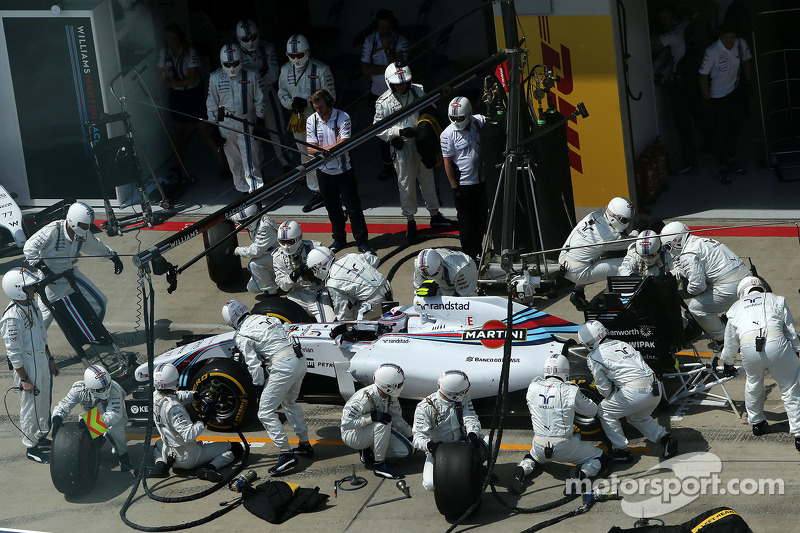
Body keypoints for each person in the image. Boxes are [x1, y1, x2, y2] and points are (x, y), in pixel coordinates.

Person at [222, 300, 313, 474]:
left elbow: (254, 365)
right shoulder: (266, 318)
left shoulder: (242, 335)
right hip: (300, 360)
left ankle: (287, 455)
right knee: (290, 403)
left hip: (283, 365)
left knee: (264, 412)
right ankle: (304, 445)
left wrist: (257, 387)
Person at [578, 320, 678, 463]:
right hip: (656, 388)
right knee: (636, 417)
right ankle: (666, 438)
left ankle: (622, 451)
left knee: (604, 411)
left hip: (635, 392)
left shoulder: (594, 357)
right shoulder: (622, 343)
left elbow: (605, 390)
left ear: (588, 343)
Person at [375, 62, 453, 242]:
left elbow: (432, 112)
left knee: (428, 181)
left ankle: (435, 215)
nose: (402, 86)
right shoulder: (383, 102)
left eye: (405, 83)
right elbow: (377, 129)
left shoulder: (419, 91)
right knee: (406, 185)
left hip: (422, 144)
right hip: (402, 148)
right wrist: (397, 133)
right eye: (398, 83)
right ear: (390, 83)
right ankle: (410, 221)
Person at [721, 277, 800, 451]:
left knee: (754, 382)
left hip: (749, 348)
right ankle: (798, 433)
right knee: (790, 387)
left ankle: (757, 423)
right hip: (776, 343)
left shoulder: (735, 308)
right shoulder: (776, 299)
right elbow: (790, 329)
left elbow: (730, 341)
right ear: (761, 287)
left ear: (742, 292)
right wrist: (796, 348)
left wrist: (728, 362)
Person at [510, 355, 606, 495]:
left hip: (539, 445)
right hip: (564, 446)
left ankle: (521, 470)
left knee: (532, 457)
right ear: (565, 371)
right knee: (600, 457)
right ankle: (581, 476)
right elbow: (592, 411)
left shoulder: (532, 387)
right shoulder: (570, 390)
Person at [24, 201, 124, 329]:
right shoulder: (53, 229)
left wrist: (113, 256)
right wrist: (46, 270)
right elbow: (29, 248)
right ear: (73, 221)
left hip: (70, 273)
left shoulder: (83, 233)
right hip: (50, 282)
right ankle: (33, 347)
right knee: (44, 319)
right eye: (84, 225)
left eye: (88, 225)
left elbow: (95, 246)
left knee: (100, 303)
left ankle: (94, 333)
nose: (87, 228)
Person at [661, 221, 750, 346]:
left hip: (729, 288)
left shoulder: (687, 253)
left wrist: (688, 289)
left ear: (676, 241)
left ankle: (723, 338)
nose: (669, 250)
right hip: (747, 280)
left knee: (695, 308)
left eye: (668, 246)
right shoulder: (704, 241)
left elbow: (698, 286)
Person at [306, 89, 373, 254]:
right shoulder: (311, 120)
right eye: (315, 108)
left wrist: (322, 149)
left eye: (321, 107)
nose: (318, 111)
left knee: (354, 208)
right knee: (332, 208)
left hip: (344, 170)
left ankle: (362, 241)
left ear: (329, 103)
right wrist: (331, 149)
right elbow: (309, 149)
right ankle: (339, 239)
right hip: (323, 171)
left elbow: (344, 144)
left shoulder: (343, 117)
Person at [1, 267, 58, 464]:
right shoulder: (11, 317)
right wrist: (24, 379)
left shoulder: (32, 305)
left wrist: (50, 359)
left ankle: (40, 435)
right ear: (18, 290)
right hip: (27, 365)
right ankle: (30, 446)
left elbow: (42, 335)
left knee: (43, 403)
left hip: (41, 359)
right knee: (29, 407)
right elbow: (13, 353)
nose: (33, 288)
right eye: (28, 286)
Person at [158, 24, 228, 179]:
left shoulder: (190, 51)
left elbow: (191, 79)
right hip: (176, 96)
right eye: (169, 38)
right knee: (180, 132)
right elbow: (160, 78)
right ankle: (178, 165)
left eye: (174, 38)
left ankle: (224, 164)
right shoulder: (165, 52)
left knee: (205, 131)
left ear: (180, 38)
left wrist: (169, 82)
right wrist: (166, 74)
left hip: (193, 94)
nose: (172, 41)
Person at [149, 363, 239, 481]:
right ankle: (211, 468)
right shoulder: (174, 408)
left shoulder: (155, 396)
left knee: (158, 444)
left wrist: (197, 395)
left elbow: (176, 395)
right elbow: (189, 435)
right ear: (175, 381)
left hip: (169, 453)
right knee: (236, 448)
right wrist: (205, 418)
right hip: (189, 457)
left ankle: (160, 465)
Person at [278, 34, 336, 213]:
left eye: (299, 55)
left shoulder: (321, 69)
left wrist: (312, 103)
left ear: (307, 52)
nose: (296, 59)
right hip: (298, 118)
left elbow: (331, 97)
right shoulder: (285, 70)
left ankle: (332, 190)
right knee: (305, 155)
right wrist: (291, 104)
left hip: (320, 118)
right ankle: (317, 192)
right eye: (292, 56)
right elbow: (281, 93)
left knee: (323, 153)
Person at [413, 370, 487, 492]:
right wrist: (429, 445)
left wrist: (472, 433)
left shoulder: (463, 397)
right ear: (455, 394)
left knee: (490, 443)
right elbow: (417, 437)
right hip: (438, 450)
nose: (467, 392)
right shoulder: (425, 408)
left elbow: (470, 417)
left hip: (462, 443)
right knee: (430, 484)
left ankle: (477, 468)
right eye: (465, 391)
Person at [206, 43, 266, 194]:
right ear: (221, 63)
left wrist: (260, 120)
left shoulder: (252, 75)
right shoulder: (214, 78)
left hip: (247, 122)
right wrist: (213, 128)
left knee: (251, 159)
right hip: (225, 126)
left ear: (241, 60)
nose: (232, 68)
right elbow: (212, 103)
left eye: (235, 63)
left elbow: (260, 99)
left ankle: (256, 192)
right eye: (228, 64)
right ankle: (243, 192)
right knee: (234, 161)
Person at [699, 24, 753, 184]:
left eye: (732, 37)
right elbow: (702, 76)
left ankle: (731, 160)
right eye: (726, 38)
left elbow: (747, 62)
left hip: (734, 92)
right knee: (720, 131)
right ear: (720, 37)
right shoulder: (712, 51)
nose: (729, 41)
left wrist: (749, 82)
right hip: (717, 96)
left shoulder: (740, 44)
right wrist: (707, 97)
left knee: (733, 128)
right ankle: (722, 166)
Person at [559, 197, 635, 310]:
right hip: (578, 271)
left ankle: (578, 293)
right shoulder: (609, 235)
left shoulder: (594, 215)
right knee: (627, 263)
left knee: (592, 255)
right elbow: (630, 242)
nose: (628, 223)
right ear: (614, 217)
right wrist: (637, 231)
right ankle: (607, 298)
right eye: (625, 220)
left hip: (563, 259)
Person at [650, 7, 701, 176]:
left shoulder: (675, 34)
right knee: (700, 118)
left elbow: (655, 41)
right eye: (661, 19)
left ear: (674, 17)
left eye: (666, 18)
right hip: (694, 80)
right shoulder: (686, 25)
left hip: (682, 85)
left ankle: (690, 162)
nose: (664, 22)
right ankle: (710, 148)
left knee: (683, 125)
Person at [51, 365, 131, 472]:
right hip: (92, 416)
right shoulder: (78, 390)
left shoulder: (115, 389)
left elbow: (114, 415)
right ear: (89, 388)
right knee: (80, 430)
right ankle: (94, 446)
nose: (106, 389)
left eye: (107, 386)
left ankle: (123, 455)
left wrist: (92, 424)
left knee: (115, 431)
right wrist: (57, 418)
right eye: (101, 389)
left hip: (116, 416)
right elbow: (63, 405)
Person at [360, 9, 410, 181]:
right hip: (377, 94)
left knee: (402, 130)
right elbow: (365, 68)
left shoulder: (402, 42)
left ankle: (405, 166)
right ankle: (388, 167)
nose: (384, 31)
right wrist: (388, 70)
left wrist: (388, 50)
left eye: (387, 27)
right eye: (381, 27)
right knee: (382, 133)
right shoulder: (370, 40)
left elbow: (399, 70)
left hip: (399, 95)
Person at [236, 19, 291, 171]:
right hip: (247, 99)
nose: (250, 41)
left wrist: (252, 80)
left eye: (253, 37)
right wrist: (259, 76)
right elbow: (236, 78)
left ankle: (286, 162)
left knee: (277, 129)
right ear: (239, 39)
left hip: (268, 94)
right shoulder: (235, 54)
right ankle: (257, 169)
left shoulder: (268, 48)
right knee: (253, 135)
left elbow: (274, 74)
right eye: (246, 39)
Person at [341, 363, 413, 479]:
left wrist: (412, 436)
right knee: (383, 423)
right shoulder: (362, 399)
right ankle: (379, 465)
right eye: (398, 384)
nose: (401, 385)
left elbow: (397, 419)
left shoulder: (390, 395)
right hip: (351, 434)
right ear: (389, 386)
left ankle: (367, 450)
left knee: (407, 450)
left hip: (368, 430)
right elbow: (346, 424)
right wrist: (371, 417)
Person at [440, 96, 488, 262]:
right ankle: (469, 256)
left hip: (481, 182)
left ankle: (479, 249)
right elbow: (447, 162)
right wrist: (455, 188)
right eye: (453, 118)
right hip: (464, 186)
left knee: (481, 218)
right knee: (467, 223)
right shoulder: (447, 134)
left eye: (459, 118)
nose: (456, 121)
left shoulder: (479, 122)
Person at [305, 246, 392, 321]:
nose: (313, 273)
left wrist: (345, 328)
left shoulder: (332, 282)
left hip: (375, 302)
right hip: (387, 287)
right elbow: (374, 260)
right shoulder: (351, 256)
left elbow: (343, 312)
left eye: (313, 269)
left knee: (353, 320)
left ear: (320, 266)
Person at [271, 221, 333, 322]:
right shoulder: (278, 256)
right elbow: (283, 286)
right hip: (297, 295)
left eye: (290, 242)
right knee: (280, 321)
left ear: (299, 238)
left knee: (330, 323)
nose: (286, 246)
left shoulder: (316, 248)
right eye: (282, 242)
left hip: (319, 293)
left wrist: (316, 274)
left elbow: (332, 272)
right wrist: (293, 276)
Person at [230, 205, 280, 296]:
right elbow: (235, 218)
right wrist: (224, 217)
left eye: (245, 221)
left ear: (254, 216)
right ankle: (279, 281)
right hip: (269, 256)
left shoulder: (265, 227)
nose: (243, 224)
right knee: (252, 287)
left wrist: (237, 251)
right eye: (241, 221)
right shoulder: (253, 221)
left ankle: (272, 293)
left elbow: (255, 252)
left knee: (254, 265)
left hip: (280, 256)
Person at [413, 248, 478, 297]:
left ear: (441, 265)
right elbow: (417, 286)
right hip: (447, 276)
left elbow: (465, 296)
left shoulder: (460, 269)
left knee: (468, 297)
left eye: (434, 275)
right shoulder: (420, 266)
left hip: (466, 270)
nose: (430, 278)